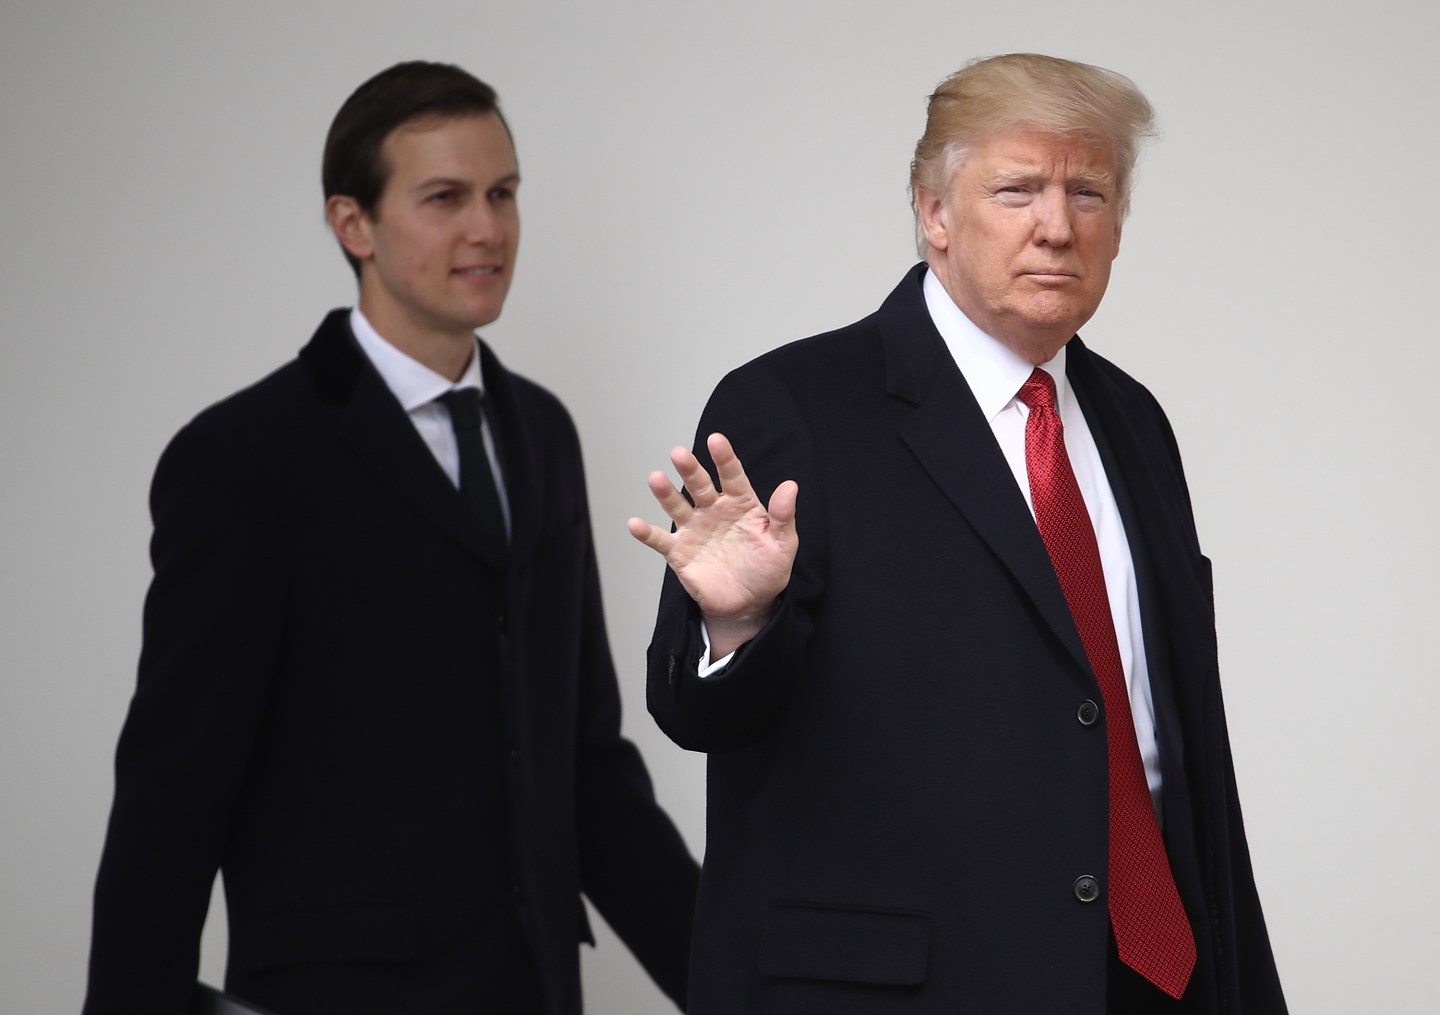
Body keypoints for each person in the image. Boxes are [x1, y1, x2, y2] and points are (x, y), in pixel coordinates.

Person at [629, 53, 1286, 1013]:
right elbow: (697, 714)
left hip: (1147, 975)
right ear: (934, 212)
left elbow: (1174, 744)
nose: (1057, 226)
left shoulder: (1135, 423)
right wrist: (738, 625)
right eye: (1017, 190)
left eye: (1089, 192)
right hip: (912, 987)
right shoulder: (795, 405)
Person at [84, 61, 698, 1015]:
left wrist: (736, 980)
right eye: (446, 198)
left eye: (502, 194)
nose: (488, 228)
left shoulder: (542, 434)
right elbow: (175, 787)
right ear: (353, 224)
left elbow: (582, 766)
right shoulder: (245, 458)